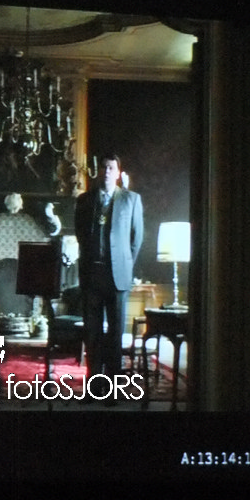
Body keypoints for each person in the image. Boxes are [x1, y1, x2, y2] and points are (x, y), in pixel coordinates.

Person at [74, 152, 143, 394]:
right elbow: (81, 235)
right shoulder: (85, 200)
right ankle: (94, 386)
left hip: (117, 277)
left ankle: (113, 388)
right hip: (92, 275)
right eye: (103, 167)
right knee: (92, 333)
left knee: (115, 334)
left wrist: (124, 264)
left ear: (118, 172)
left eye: (111, 168)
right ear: (99, 171)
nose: (106, 172)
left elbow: (136, 239)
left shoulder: (131, 200)